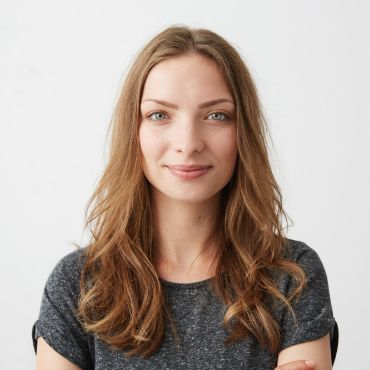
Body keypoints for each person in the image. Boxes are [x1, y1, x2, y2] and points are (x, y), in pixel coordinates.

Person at [32, 24, 338, 370]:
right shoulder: (78, 285)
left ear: (243, 132)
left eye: (216, 115)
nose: (188, 142)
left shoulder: (291, 276)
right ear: (134, 132)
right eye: (160, 115)